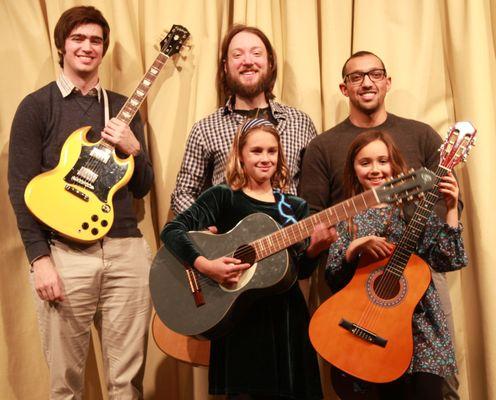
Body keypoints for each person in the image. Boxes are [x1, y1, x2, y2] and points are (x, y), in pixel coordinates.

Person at [8, 6, 153, 399]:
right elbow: (20, 189)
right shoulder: (36, 107)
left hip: (126, 252)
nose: (87, 47)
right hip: (65, 255)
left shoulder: (125, 108)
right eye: (78, 39)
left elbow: (143, 187)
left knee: (127, 384)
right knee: (66, 386)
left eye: (96, 40)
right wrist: (40, 260)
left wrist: (134, 148)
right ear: (62, 45)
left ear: (103, 49)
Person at [299, 50, 462, 398]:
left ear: (388, 82)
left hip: (419, 275)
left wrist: (443, 214)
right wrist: (350, 247)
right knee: (363, 381)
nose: (367, 82)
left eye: (375, 74)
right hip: (357, 285)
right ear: (344, 88)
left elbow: (447, 209)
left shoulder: (420, 135)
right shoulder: (323, 146)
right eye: (356, 76)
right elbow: (314, 218)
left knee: (435, 381)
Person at [162, 118, 334, 399]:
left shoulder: (294, 207)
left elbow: (300, 271)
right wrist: (207, 265)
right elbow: (172, 231)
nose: (265, 159)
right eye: (256, 151)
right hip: (239, 320)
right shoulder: (222, 197)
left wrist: (315, 249)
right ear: (240, 154)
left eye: (272, 151)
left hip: (286, 319)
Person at [325, 130, 467, 400]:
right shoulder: (348, 218)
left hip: (420, 330)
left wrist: (450, 208)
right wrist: (354, 247)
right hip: (370, 328)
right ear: (353, 169)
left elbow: (448, 258)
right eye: (365, 162)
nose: (375, 169)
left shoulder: (412, 209)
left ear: (395, 163)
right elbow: (333, 277)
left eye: (383, 160)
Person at [170, 24, 318, 215]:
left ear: (270, 63)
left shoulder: (300, 123)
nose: (248, 61)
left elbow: (314, 193)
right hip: (231, 243)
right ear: (226, 66)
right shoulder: (205, 129)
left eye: (256, 53)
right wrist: (207, 228)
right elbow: (183, 193)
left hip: (289, 240)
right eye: (237, 55)